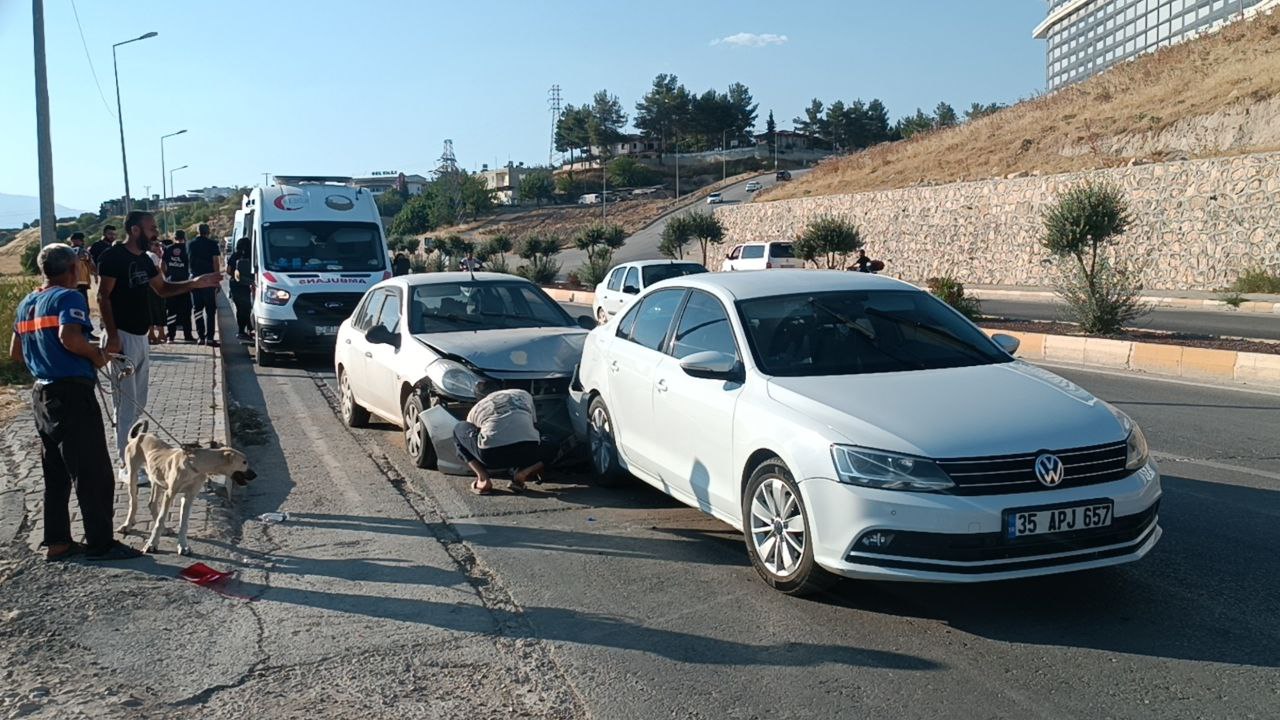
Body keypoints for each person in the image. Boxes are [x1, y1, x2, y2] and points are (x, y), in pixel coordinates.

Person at [9, 243, 142, 561]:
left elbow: (16, 353)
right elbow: (70, 338)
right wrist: (98, 356)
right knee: (92, 470)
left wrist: (46, 360)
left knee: (55, 472)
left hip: (42, 394)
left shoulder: (28, 302)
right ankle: (101, 543)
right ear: (71, 269)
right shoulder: (68, 297)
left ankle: (57, 541)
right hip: (70, 394)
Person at [97, 211, 222, 481]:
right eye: (151, 228)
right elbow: (102, 296)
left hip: (140, 337)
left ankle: (133, 458)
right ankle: (127, 466)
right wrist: (113, 335)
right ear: (135, 230)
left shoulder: (144, 260)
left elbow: (163, 289)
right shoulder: (113, 257)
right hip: (122, 337)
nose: (156, 233)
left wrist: (195, 284)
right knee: (125, 405)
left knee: (138, 403)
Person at [453, 380, 546, 495]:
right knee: (551, 441)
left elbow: (474, 437)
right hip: (529, 452)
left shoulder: (477, 408)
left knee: (459, 428)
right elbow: (533, 423)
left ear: (478, 398)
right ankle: (522, 473)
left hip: (491, 457)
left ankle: (483, 479)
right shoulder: (522, 394)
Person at [187, 223, 222, 347]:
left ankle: (200, 337)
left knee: (197, 309)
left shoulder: (191, 244)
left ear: (198, 231)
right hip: (208, 279)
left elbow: (189, 262)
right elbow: (215, 262)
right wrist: (216, 280)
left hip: (195, 279)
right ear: (208, 232)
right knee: (210, 310)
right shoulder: (212, 244)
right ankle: (210, 338)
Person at [162, 229, 194, 342]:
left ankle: (171, 336)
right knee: (186, 310)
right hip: (184, 283)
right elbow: (190, 265)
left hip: (171, 283)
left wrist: (166, 275)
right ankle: (188, 336)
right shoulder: (187, 249)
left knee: (171, 311)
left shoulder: (168, 249)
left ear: (174, 237)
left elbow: (163, 264)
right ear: (184, 237)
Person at [228, 237, 254, 341]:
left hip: (236, 285)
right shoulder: (252, 255)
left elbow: (228, 270)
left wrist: (236, 277)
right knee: (248, 308)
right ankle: (250, 329)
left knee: (240, 309)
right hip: (249, 285)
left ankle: (241, 331)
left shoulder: (235, 255)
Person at [146, 240, 168, 344]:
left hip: (146, 286)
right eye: (156, 245)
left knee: (149, 310)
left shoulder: (144, 255)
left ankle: (151, 333)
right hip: (155, 286)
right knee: (159, 309)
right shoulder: (152, 256)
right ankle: (161, 333)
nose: (158, 247)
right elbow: (157, 270)